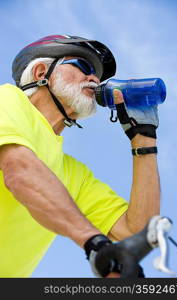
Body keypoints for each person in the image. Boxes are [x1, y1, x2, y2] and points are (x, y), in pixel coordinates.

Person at [0, 35, 160, 278]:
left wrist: (144, 139)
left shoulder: (74, 174)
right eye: (83, 67)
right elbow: (18, 169)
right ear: (41, 72)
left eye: (98, 76)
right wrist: (94, 242)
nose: (95, 79)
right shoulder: (8, 99)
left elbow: (137, 233)